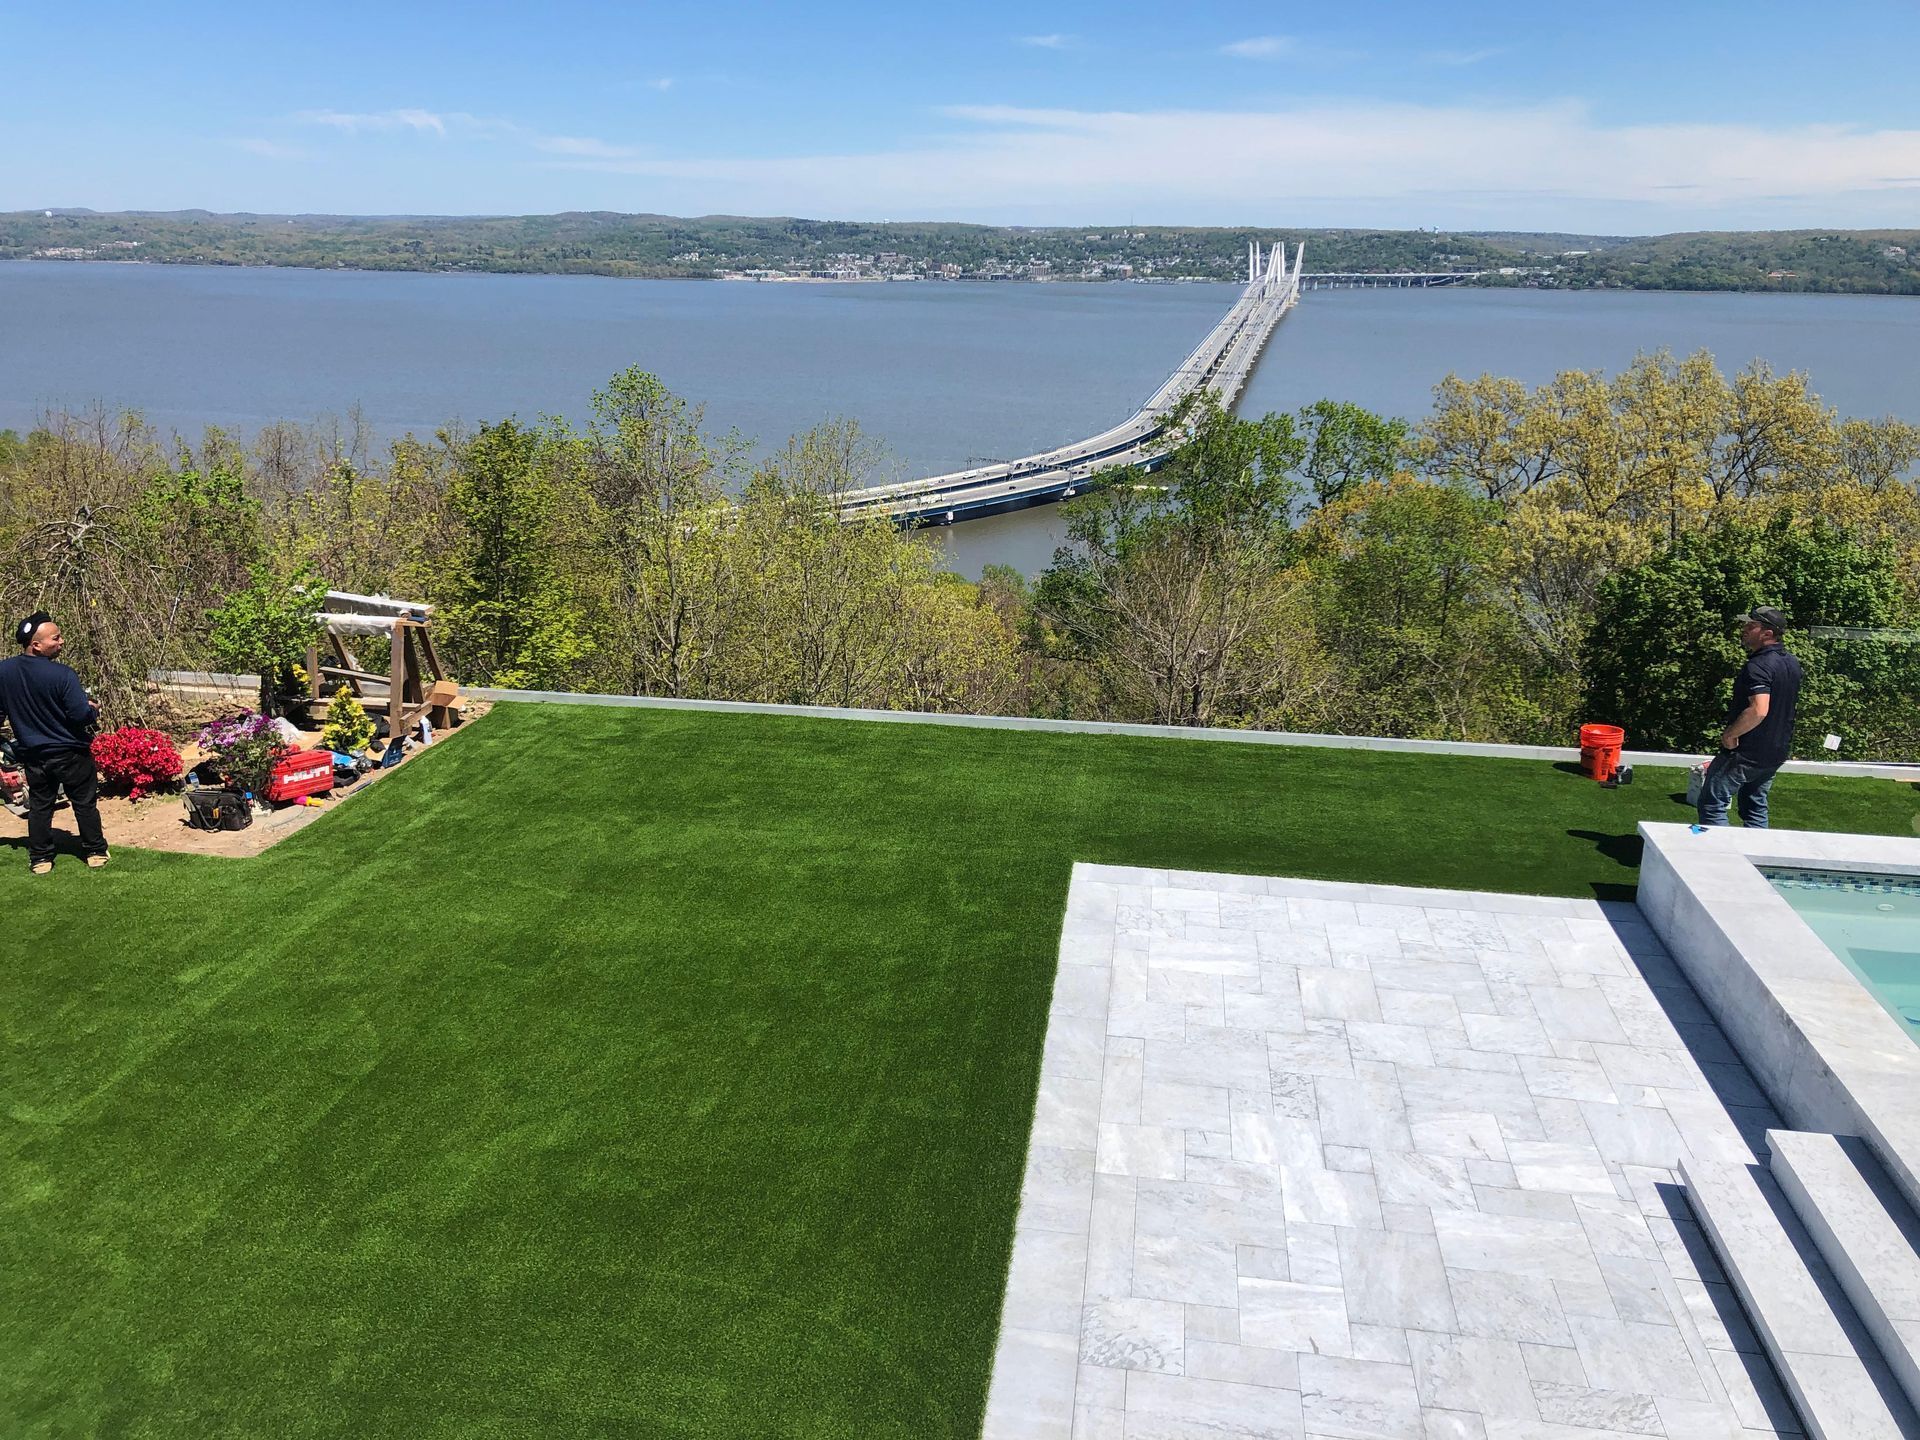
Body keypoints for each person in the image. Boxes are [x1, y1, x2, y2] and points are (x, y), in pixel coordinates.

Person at [0, 611, 108, 873]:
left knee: (40, 805)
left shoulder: (4, 671)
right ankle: (94, 851)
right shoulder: (62, 674)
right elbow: (79, 715)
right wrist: (92, 708)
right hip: (70, 752)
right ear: (36, 644)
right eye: (55, 638)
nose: (61, 642)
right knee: (84, 803)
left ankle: (40, 858)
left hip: (33, 755)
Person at [1696, 606, 1802, 829]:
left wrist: (1730, 735)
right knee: (1755, 806)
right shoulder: (1791, 663)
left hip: (1747, 752)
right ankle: (1756, 856)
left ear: (1767, 634)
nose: (1744, 629)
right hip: (1776, 750)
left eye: (1751, 625)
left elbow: (1759, 710)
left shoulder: (1758, 666)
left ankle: (1723, 857)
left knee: (1712, 803)